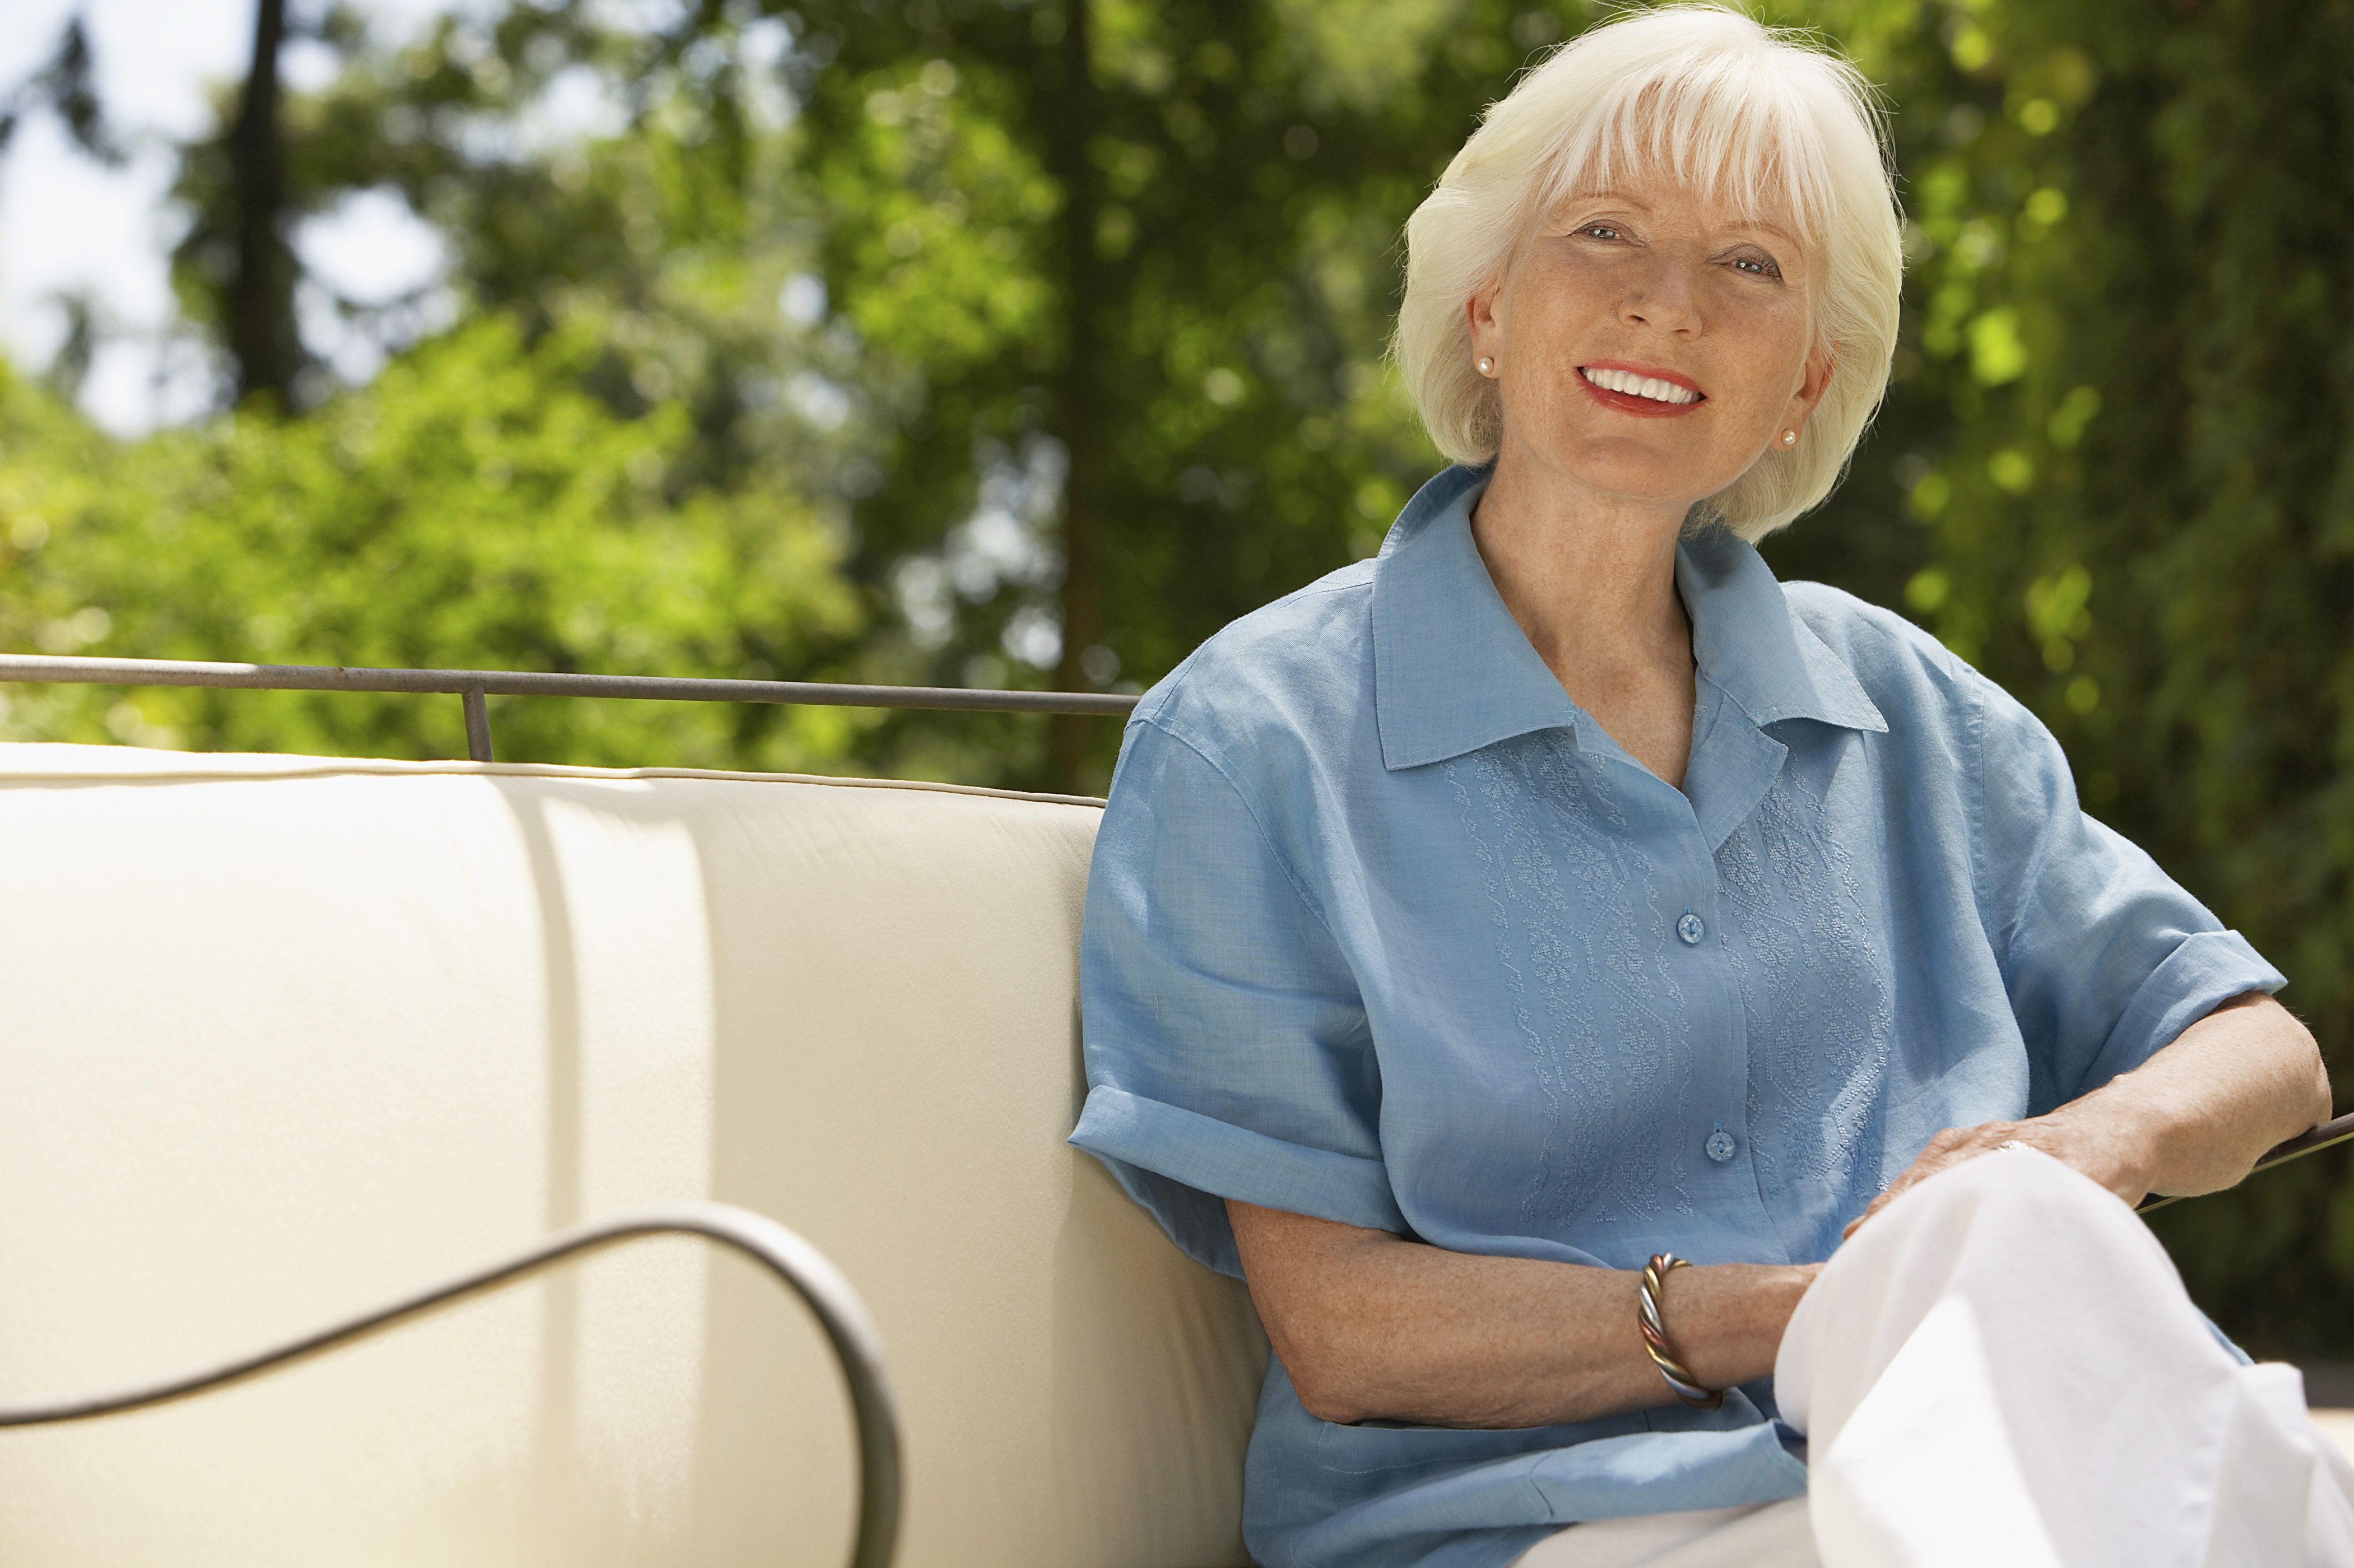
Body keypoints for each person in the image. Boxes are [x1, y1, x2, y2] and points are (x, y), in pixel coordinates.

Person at [1067, 6, 2348, 1566]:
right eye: (1601, 232)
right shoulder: (1249, 737)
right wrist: (1835, 1317)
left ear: (1805, 382)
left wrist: (2087, 1154)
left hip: (2004, 1451)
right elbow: (1348, 1331)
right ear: (1483, 307)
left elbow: (2257, 1049)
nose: (1666, 305)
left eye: (1749, 265)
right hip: (1541, 1527)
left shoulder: (1904, 707)